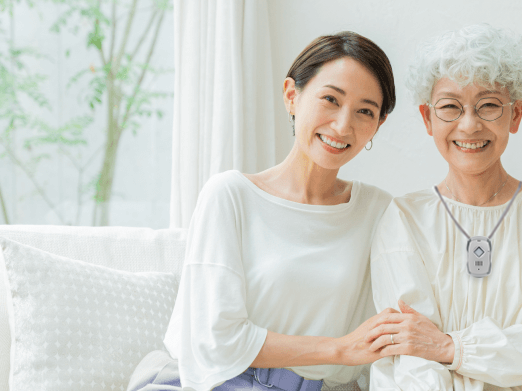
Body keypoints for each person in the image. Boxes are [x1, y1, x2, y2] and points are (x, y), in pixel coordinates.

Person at [129, 31, 399, 391]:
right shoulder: (230, 196)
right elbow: (215, 339)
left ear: (377, 125)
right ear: (292, 95)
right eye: (330, 99)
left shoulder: (378, 212)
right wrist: (340, 350)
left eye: (365, 111)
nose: (342, 125)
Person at [365, 24, 522, 391]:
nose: (470, 124)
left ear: (516, 115)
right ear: (428, 118)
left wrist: (451, 347)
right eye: (450, 107)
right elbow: (410, 355)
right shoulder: (403, 218)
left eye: (489, 105)